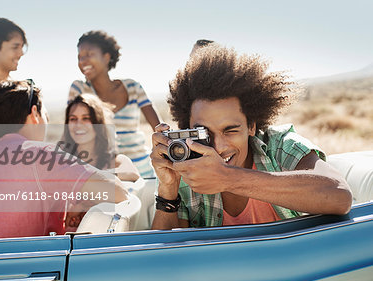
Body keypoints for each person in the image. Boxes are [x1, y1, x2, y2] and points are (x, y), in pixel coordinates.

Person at [151, 44, 352, 229]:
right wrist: (168, 190)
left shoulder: (280, 146)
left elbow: (339, 195)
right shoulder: (187, 171)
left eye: (230, 130)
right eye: (204, 134)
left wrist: (228, 178)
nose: (218, 147)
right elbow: (163, 258)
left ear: (252, 126)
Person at [0, 80, 129, 239]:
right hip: (16, 270)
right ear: (35, 113)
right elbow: (119, 193)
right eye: (46, 114)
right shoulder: (41, 155)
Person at [68, 30, 161, 178]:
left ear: (106, 57)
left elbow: (159, 129)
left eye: (89, 54)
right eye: (80, 57)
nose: (83, 61)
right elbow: (73, 131)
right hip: (105, 176)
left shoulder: (133, 87)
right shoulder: (80, 90)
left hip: (143, 172)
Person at [62, 93, 140, 182]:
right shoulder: (60, 159)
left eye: (86, 118)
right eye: (73, 119)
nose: (78, 124)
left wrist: (93, 175)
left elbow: (132, 174)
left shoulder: (115, 160)